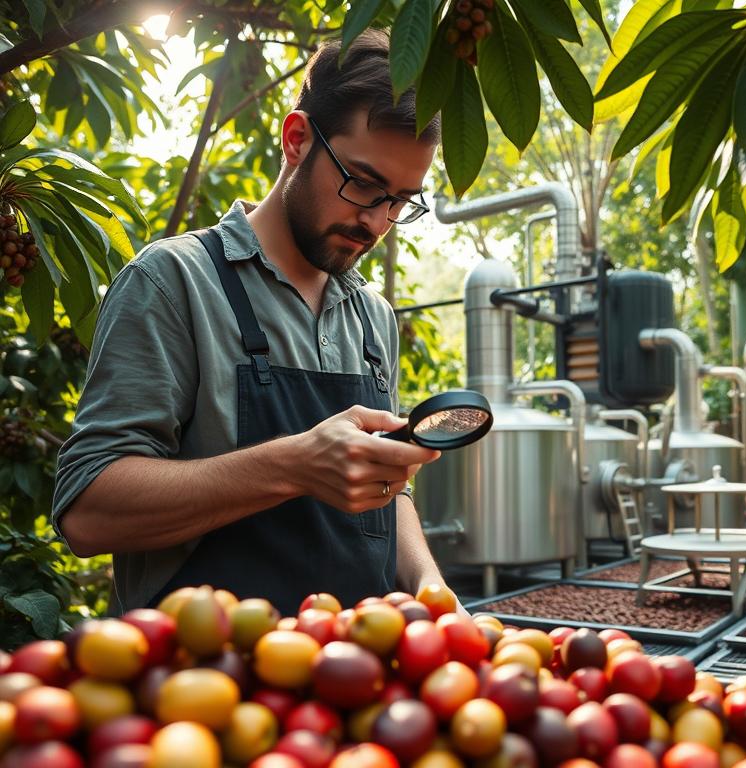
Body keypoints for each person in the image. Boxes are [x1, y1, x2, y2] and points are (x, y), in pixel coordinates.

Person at [52, 29, 456, 617]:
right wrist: (293, 465)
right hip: (204, 688)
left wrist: (432, 593)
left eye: (400, 201)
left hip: (353, 683)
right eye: (363, 183)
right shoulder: (174, 282)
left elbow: (386, 493)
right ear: (297, 139)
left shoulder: (373, 319)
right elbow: (88, 513)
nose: (375, 221)